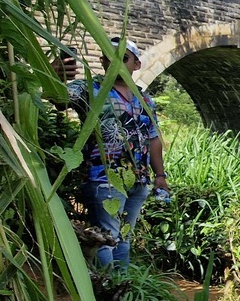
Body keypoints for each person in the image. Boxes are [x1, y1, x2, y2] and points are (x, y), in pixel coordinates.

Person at [56, 37, 169, 270]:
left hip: (138, 180)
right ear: (102, 62)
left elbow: (153, 137)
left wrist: (160, 175)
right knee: (106, 238)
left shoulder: (144, 97)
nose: (115, 62)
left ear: (136, 65)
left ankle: (122, 292)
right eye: (109, 57)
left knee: (123, 239)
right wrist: (58, 75)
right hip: (105, 179)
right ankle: (110, 291)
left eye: (123, 57)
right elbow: (60, 99)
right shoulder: (90, 88)